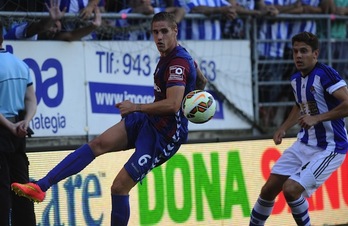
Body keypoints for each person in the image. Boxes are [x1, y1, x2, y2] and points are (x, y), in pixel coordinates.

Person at [12, 12, 207, 226]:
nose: (159, 37)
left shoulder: (177, 63)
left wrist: (136, 107)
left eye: (164, 32)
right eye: (155, 32)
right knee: (97, 144)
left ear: (175, 31)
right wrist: (197, 92)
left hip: (164, 136)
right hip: (148, 120)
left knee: (119, 187)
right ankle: (41, 187)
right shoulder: (179, 56)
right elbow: (201, 79)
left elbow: (172, 105)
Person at [249, 31, 348, 226]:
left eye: (304, 51)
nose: (298, 56)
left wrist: (317, 118)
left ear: (315, 54)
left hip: (330, 147)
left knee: (291, 189)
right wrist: (284, 127)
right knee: (268, 190)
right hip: (303, 144)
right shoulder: (296, 78)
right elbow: (299, 104)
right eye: (295, 52)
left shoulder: (325, 74)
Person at [0, 21, 38, 226]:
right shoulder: (20, 64)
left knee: (2, 190)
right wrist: (25, 121)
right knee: (22, 186)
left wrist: (9, 126)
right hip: (18, 134)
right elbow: (31, 100)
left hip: (4, 130)